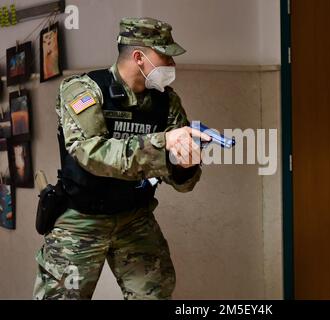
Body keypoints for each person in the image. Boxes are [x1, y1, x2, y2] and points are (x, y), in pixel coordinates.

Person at [33, 17, 211, 300]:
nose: (172, 65)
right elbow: (90, 153)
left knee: (155, 294)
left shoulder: (166, 102)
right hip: (81, 219)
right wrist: (163, 141)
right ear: (139, 57)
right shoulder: (83, 90)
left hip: (134, 218)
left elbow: (183, 183)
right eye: (165, 55)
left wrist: (183, 166)